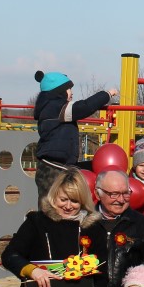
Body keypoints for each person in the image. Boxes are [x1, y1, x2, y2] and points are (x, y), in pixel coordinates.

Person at [33, 70, 119, 200]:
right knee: (52, 204)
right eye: (69, 89)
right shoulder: (57, 108)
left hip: (56, 165)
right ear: (58, 91)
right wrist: (107, 94)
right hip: (54, 168)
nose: (72, 92)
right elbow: (84, 107)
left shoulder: (50, 108)